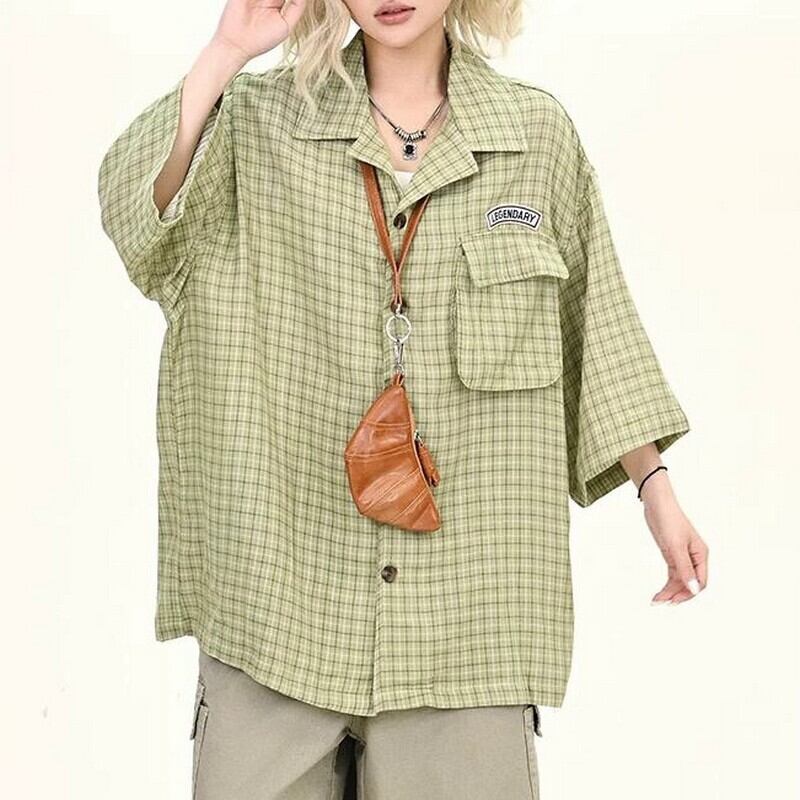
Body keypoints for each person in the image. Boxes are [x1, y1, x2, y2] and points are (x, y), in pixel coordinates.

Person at [97, 0, 709, 797]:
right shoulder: (255, 122)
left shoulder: (533, 135)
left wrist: (655, 488)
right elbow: (137, 222)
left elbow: (594, 323)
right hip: (276, 602)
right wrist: (224, 53)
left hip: (470, 620)